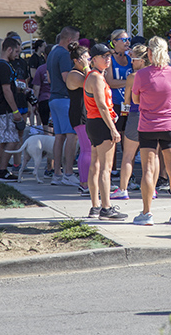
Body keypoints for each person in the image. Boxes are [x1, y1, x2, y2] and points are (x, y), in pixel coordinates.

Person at [131, 37, 171, 225]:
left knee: (148, 169)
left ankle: (146, 214)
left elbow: (136, 100)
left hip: (148, 126)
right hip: (170, 125)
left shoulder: (141, 74)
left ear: (150, 53)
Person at [84, 43, 127, 221]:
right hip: (101, 124)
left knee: (96, 165)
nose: (108, 59)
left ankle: (95, 206)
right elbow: (101, 105)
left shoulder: (94, 76)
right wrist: (113, 128)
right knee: (105, 168)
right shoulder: (97, 78)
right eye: (104, 56)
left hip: (94, 123)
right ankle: (106, 207)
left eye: (109, 56)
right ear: (94, 59)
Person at [111, 44, 148, 200]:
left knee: (127, 155)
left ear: (141, 60)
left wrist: (124, 115)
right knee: (151, 157)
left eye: (133, 59)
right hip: (153, 117)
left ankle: (123, 189)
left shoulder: (133, 77)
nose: (131, 62)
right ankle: (151, 190)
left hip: (135, 115)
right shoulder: (159, 73)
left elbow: (127, 100)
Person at [47, 26, 80, 186]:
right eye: (77, 40)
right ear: (70, 40)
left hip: (54, 98)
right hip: (64, 99)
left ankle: (57, 174)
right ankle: (68, 173)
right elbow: (67, 78)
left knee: (59, 137)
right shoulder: (65, 54)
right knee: (71, 136)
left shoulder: (52, 52)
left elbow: (49, 78)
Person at [0, 37, 23, 181]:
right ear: (9, 49)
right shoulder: (4, 66)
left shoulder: (0, 65)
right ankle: (3, 169)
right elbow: (6, 90)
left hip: (1, 109)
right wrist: (15, 111)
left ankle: (0, 167)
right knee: (13, 139)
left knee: (3, 140)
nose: (17, 55)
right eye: (16, 51)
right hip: (5, 110)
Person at [65, 43, 92, 196]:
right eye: (87, 59)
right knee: (86, 149)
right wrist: (87, 68)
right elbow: (90, 85)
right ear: (77, 60)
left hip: (85, 114)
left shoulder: (82, 72)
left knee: (89, 149)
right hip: (79, 115)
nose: (89, 62)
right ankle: (84, 184)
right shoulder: (74, 75)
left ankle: (88, 182)